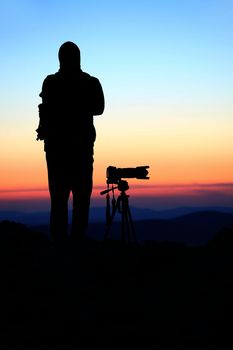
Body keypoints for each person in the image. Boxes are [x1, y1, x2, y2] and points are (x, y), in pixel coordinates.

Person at [36, 41, 105, 243]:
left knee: (59, 201)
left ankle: (61, 247)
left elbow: (46, 111)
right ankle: (75, 245)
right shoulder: (90, 82)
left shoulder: (51, 82)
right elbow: (99, 108)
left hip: (58, 151)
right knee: (80, 201)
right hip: (79, 150)